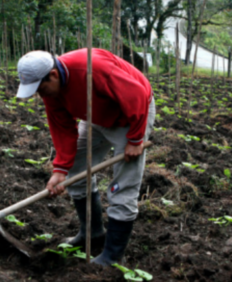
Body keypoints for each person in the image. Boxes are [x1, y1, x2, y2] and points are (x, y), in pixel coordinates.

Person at [15, 49, 155, 266]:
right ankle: (93, 233)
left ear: (53, 74)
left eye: (41, 89)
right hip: (95, 116)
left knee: (123, 185)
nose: (40, 95)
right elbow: (62, 129)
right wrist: (60, 169)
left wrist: (135, 139)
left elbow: (137, 94)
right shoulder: (52, 91)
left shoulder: (93, 69)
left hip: (130, 115)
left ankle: (113, 256)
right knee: (77, 169)